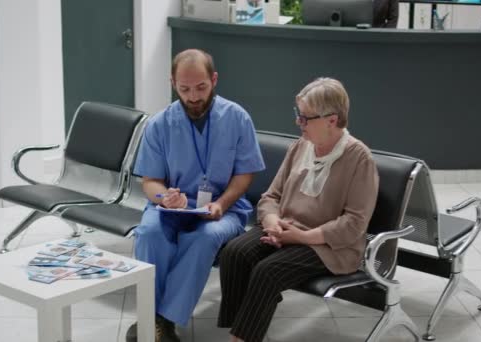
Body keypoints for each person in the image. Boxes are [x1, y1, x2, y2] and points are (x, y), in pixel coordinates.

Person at [217, 77, 379, 342]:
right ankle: (245, 331)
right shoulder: (300, 146)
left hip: (326, 247)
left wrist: (302, 237)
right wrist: (271, 221)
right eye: (298, 115)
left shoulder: (359, 158)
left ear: (332, 120)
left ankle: (242, 337)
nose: (298, 122)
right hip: (285, 231)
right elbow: (272, 195)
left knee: (267, 272)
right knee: (234, 253)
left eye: (306, 118)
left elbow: (354, 224)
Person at [127, 49, 265, 342]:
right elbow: (151, 181)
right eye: (184, 88)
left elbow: (245, 175)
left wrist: (221, 203)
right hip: (171, 207)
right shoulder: (159, 124)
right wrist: (165, 198)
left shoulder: (237, 118)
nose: (193, 97)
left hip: (226, 208)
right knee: (149, 233)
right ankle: (151, 316)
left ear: (214, 80)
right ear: (172, 83)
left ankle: (160, 320)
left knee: (204, 237)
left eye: (201, 87)